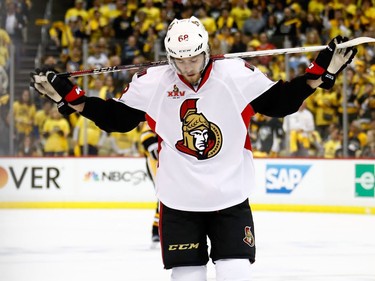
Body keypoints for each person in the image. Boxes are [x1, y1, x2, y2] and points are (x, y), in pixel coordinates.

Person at [31, 16, 356, 281]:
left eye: (195, 59)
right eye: (179, 61)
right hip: (179, 204)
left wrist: (320, 74)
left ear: (207, 51)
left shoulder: (235, 74)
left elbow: (279, 102)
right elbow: (117, 119)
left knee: (236, 275)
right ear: (169, 57)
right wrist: (70, 98)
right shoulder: (151, 82)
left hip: (230, 198)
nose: (187, 67)